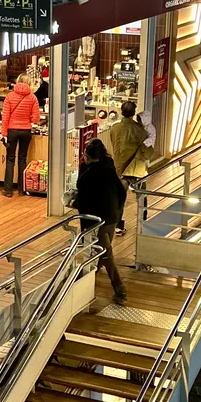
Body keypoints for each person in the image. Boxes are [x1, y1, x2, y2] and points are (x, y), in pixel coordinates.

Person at [74, 138, 129, 306]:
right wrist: (118, 213)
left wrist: (74, 203)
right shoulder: (109, 170)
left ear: (87, 156)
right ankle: (91, 276)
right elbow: (122, 192)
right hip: (112, 216)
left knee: (106, 254)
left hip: (96, 221)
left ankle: (120, 289)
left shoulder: (87, 175)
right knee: (102, 250)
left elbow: (84, 200)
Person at [107, 101, 154, 235]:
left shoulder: (114, 128)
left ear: (121, 112)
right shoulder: (140, 130)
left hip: (119, 168)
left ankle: (118, 224)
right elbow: (147, 150)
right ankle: (143, 220)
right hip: (136, 167)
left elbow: (114, 144)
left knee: (120, 198)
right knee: (141, 195)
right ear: (134, 113)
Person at [0, 74, 41, 197]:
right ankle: (22, 189)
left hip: (12, 130)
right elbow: (36, 118)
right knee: (22, 159)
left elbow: (5, 116)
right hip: (26, 130)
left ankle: (8, 190)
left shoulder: (10, 96)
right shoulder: (33, 98)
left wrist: (4, 133)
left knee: (10, 160)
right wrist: (27, 119)